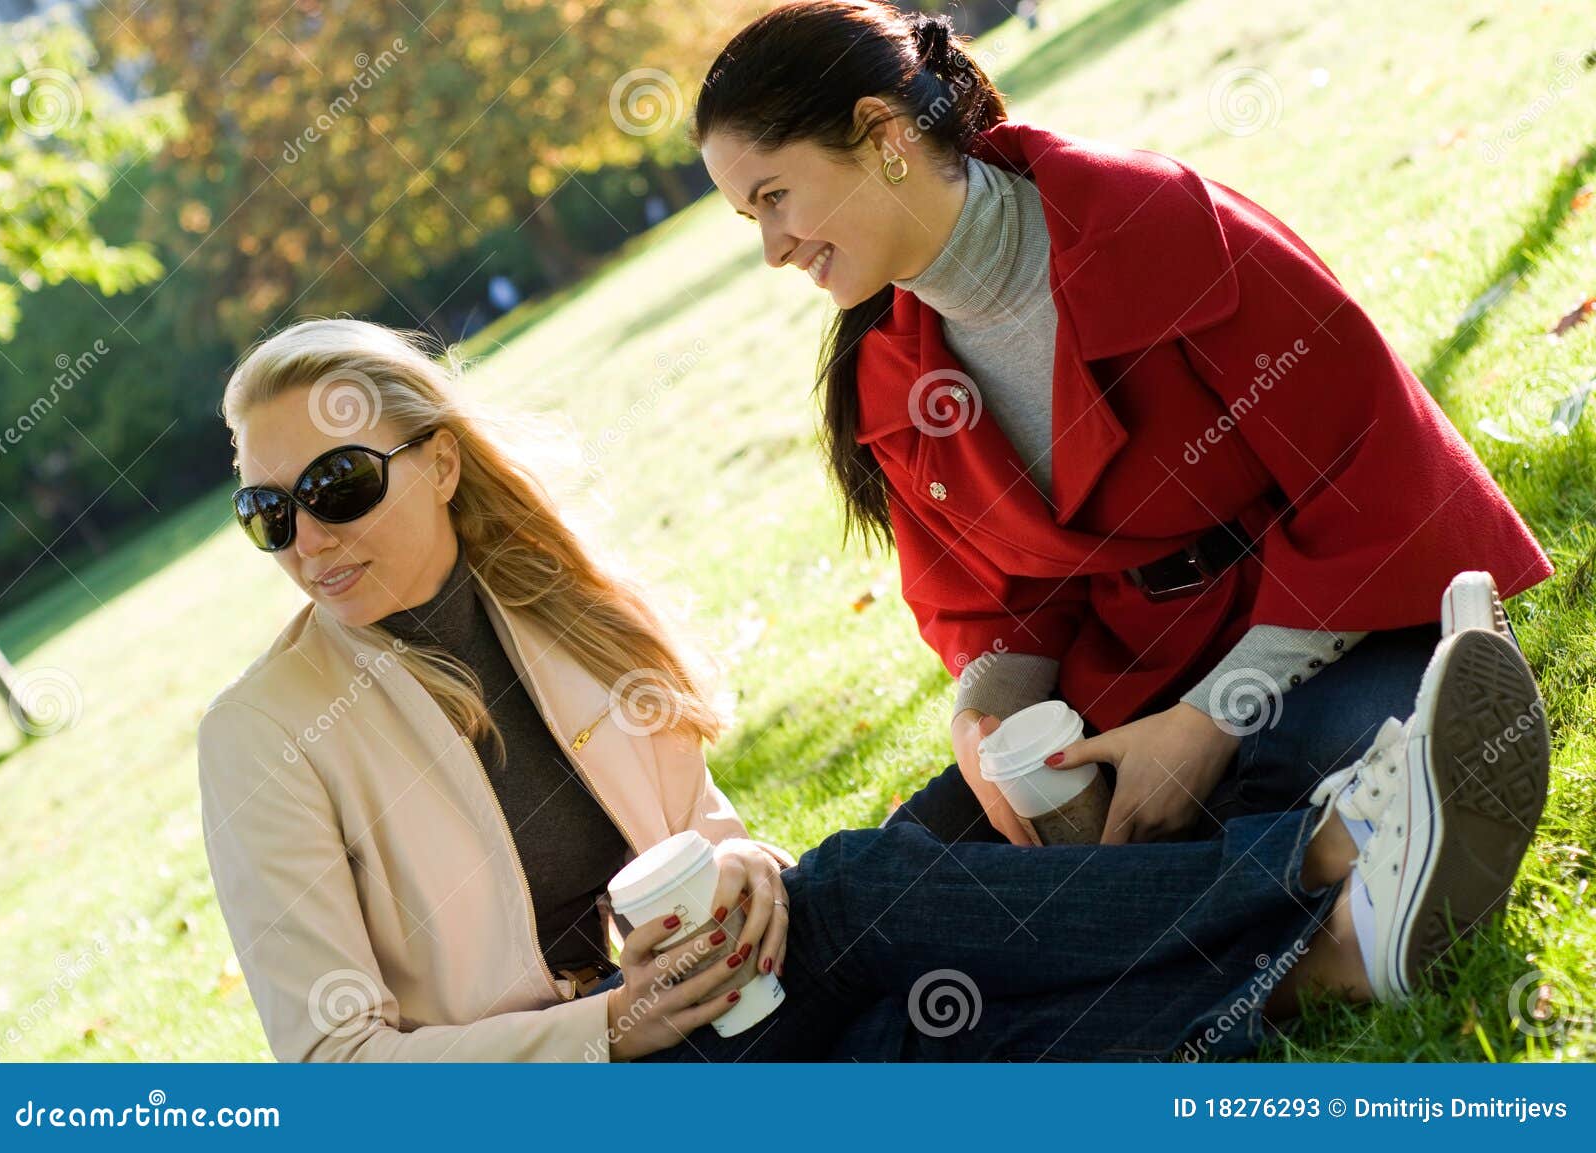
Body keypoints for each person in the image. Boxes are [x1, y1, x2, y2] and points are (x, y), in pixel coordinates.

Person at [198, 319, 1549, 1061]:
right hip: (592, 1082)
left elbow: (702, 833)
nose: (308, 538)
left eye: (337, 486)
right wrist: (598, 1030)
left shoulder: (552, 619)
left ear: (435, 463)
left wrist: (744, 881)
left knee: (906, 1000)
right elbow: (335, 1078)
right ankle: (1328, 861)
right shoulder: (263, 739)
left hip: (712, 1024)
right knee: (868, 893)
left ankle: (1321, 969)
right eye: (272, 514)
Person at [692, 0, 1554, 848]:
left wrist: (1210, 720)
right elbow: (1000, 610)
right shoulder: (886, 382)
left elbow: (1375, 482)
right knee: (902, 863)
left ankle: (1269, 882)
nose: (773, 248)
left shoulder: (1156, 225)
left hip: (1336, 635)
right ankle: (1292, 878)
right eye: (749, 218)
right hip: (1134, 679)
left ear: (882, 137)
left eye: (775, 197)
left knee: (1303, 765)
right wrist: (989, 727)